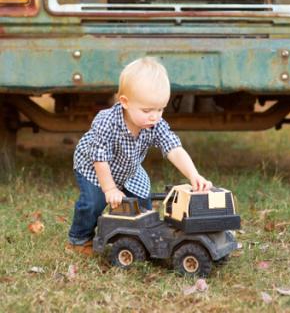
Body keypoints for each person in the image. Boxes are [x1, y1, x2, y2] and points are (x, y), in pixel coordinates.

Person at [67, 57, 211, 254]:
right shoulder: (106, 122)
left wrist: (194, 175)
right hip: (94, 168)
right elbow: (99, 158)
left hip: (128, 168)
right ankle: (79, 239)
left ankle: (138, 238)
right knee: (94, 202)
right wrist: (109, 189)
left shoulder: (154, 123)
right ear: (125, 102)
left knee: (142, 204)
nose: (155, 116)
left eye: (160, 109)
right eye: (147, 110)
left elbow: (173, 147)